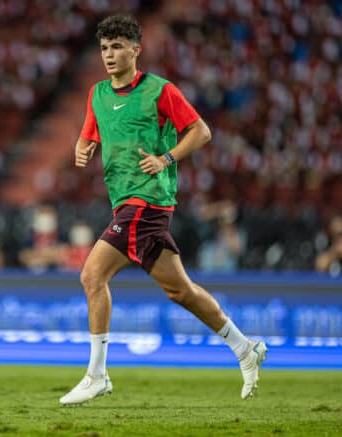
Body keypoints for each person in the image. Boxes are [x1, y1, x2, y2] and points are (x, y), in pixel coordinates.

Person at [59, 15, 267, 406]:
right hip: (125, 202)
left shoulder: (160, 90)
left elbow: (201, 131)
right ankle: (245, 348)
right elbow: (89, 134)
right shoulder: (97, 94)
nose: (109, 54)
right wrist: (81, 147)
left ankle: (97, 375)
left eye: (118, 46)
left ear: (136, 50)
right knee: (180, 291)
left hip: (147, 201)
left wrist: (166, 157)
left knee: (91, 276)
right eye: (104, 48)